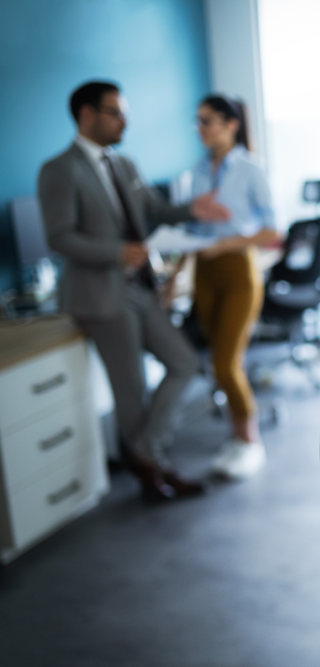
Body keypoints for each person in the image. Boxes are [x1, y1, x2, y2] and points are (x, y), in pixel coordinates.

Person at [37, 80, 231, 501]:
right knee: (131, 391)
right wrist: (116, 252)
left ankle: (143, 453)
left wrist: (191, 208)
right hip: (102, 295)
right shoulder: (59, 170)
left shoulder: (124, 164)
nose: (125, 120)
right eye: (115, 112)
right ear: (87, 115)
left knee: (182, 363)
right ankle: (154, 467)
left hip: (142, 289)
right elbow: (60, 237)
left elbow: (154, 211)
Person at [187, 95, 279, 480]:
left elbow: (273, 232)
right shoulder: (197, 170)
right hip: (202, 272)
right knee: (216, 362)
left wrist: (229, 242)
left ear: (230, 125)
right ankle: (235, 438)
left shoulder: (251, 169)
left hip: (238, 270)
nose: (201, 128)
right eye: (198, 121)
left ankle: (250, 442)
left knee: (227, 364)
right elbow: (194, 228)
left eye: (208, 120)